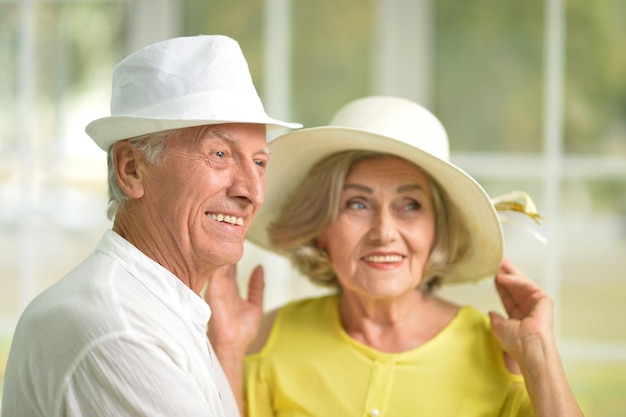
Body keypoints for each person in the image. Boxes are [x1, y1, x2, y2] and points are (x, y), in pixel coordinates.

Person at [210, 96, 584, 417]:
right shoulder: (266, 340)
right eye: (357, 204)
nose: (384, 232)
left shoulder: (500, 352)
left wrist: (538, 354)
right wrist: (227, 350)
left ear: (437, 231)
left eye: (410, 205)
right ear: (320, 230)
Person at [1, 35, 300, 417]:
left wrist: (227, 351)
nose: (253, 191)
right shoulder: (119, 328)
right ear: (131, 169)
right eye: (220, 154)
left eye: (259, 162)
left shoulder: (155, 307)